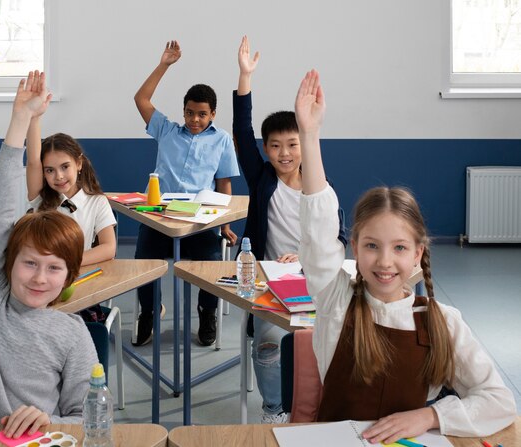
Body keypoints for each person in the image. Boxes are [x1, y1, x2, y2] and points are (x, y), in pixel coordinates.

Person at [295, 69, 516, 443]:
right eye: (371, 246)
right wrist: (309, 136)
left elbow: (498, 400)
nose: (384, 261)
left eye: (399, 248)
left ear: (418, 254)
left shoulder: (443, 322)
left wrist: (429, 416)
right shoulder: (336, 301)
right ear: (353, 248)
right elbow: (316, 230)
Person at [0, 72, 99, 439]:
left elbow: (90, 419)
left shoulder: (72, 334)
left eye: (54, 268)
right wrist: (20, 120)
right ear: (8, 262)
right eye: (29, 263)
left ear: (70, 276)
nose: (40, 278)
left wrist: (49, 420)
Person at [233, 36, 346, 423]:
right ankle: (273, 409)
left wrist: (304, 258)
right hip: (267, 281)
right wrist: (245, 77)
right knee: (268, 345)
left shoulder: (320, 187)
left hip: (313, 280)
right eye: (276, 146)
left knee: (327, 340)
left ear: (304, 145)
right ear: (265, 150)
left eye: (293, 144)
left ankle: (320, 407)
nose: (284, 153)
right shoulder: (262, 180)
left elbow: (338, 238)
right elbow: (241, 129)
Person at [133, 40, 240, 347]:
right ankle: (149, 312)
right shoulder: (166, 130)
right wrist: (164, 64)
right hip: (158, 216)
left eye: (202, 114)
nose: (195, 119)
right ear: (183, 111)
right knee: (144, 263)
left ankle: (207, 314)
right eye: (190, 113)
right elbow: (141, 98)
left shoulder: (221, 140)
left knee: (210, 267)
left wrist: (226, 225)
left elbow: (224, 184)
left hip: (199, 219)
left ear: (213, 114)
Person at [25, 70, 116, 267]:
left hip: (77, 273)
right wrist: (34, 117)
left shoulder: (97, 202)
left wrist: (67, 263)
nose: (58, 176)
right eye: (49, 170)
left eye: (65, 167)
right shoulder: (40, 197)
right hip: (42, 278)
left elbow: (109, 247)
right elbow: (33, 161)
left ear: (79, 163)